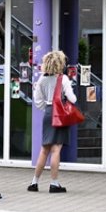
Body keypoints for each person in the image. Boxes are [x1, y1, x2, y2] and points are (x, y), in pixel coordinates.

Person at [28, 50, 74, 194]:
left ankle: (34, 182)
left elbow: (37, 100)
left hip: (48, 112)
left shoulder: (42, 79)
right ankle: (54, 183)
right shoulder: (63, 79)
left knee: (44, 149)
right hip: (59, 113)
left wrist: (46, 108)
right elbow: (72, 98)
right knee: (56, 149)